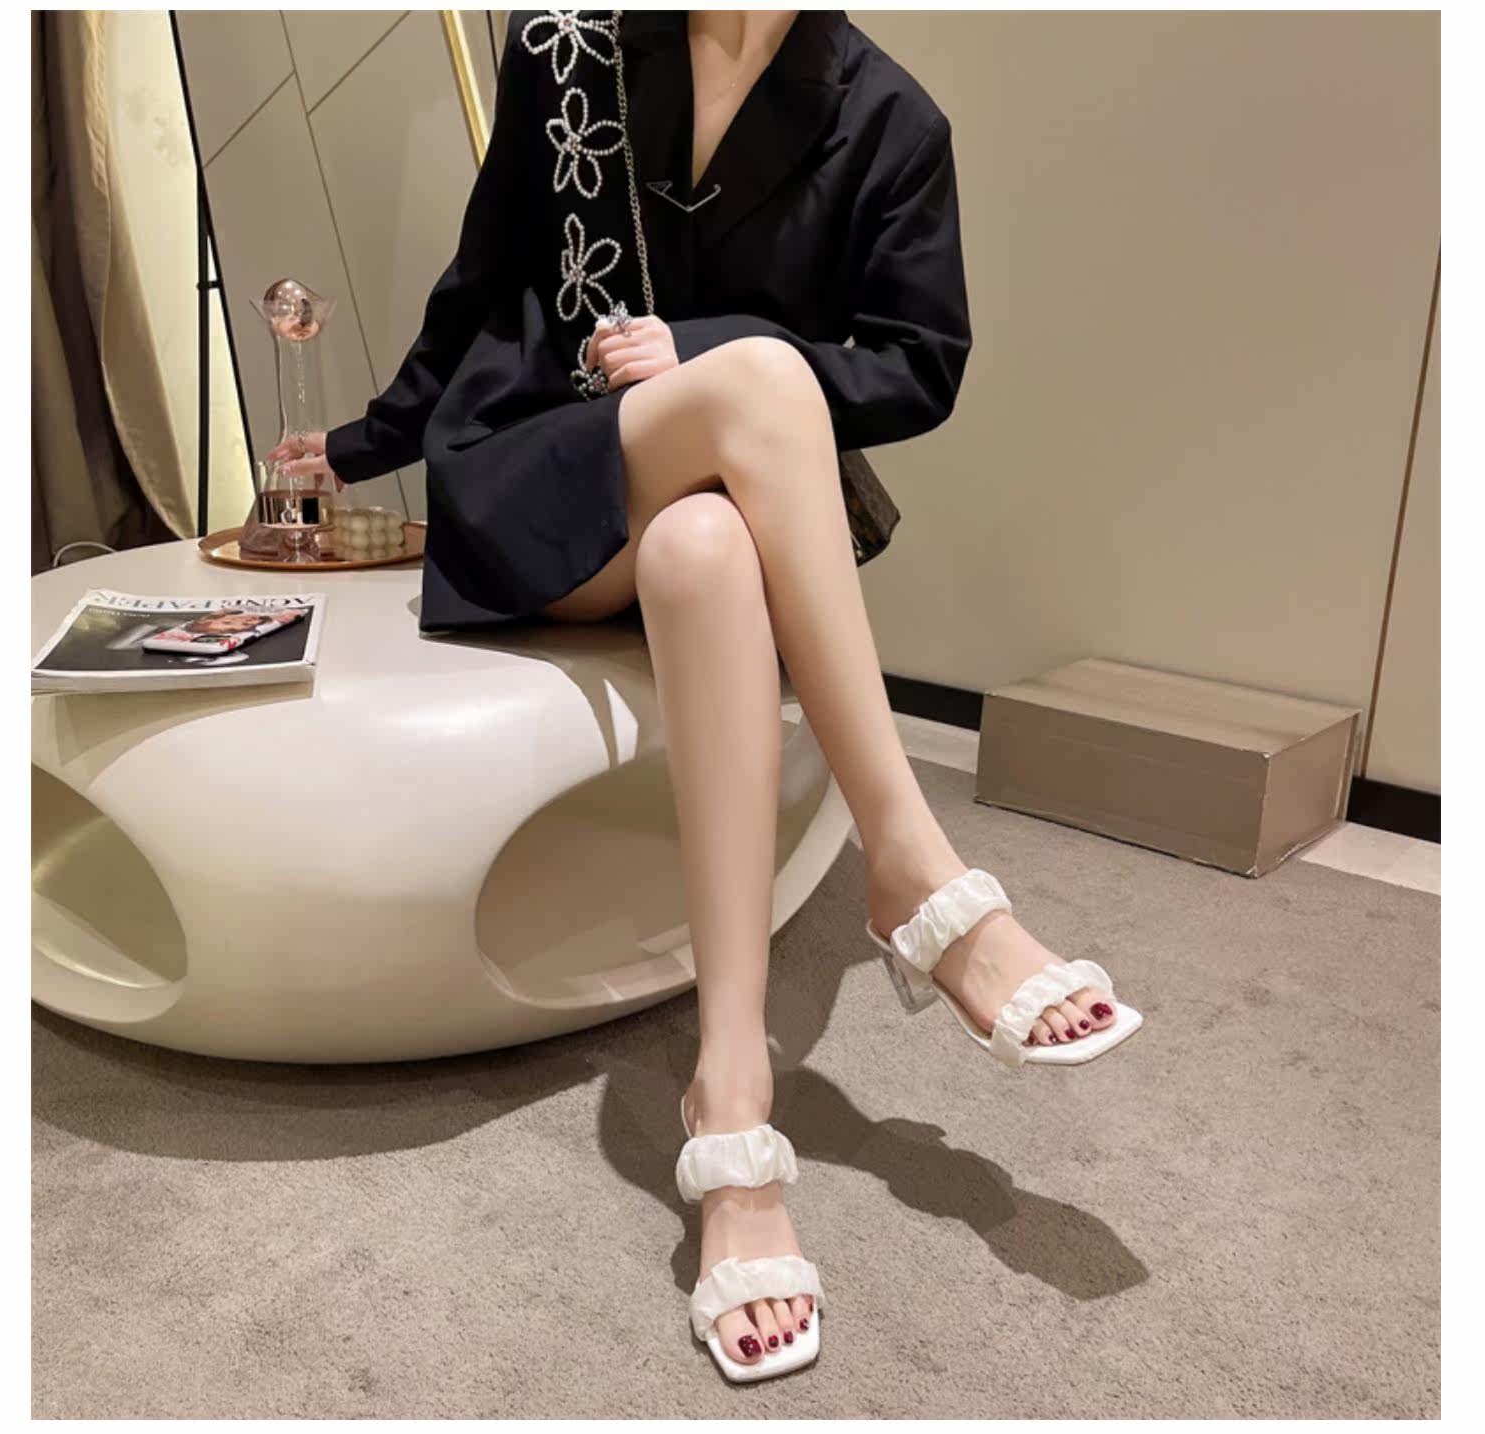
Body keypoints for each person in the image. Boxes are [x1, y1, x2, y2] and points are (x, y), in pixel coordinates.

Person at [267, 8, 1139, 1383]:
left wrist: (706, 346)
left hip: (700, 499)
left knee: (708, 544)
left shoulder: (889, 120)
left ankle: (730, 1094)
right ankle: (914, 866)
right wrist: (363, 444)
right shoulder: (567, 44)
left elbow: (918, 362)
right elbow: (478, 280)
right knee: (762, 381)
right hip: (539, 468)